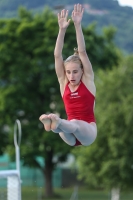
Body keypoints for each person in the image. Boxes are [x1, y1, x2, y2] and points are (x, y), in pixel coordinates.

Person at [39, 4, 97, 146]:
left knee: (74, 123)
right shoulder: (63, 82)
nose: (71, 76)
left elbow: (82, 52)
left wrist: (77, 25)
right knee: (62, 127)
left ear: (82, 71)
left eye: (75, 71)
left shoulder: (87, 80)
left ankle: (56, 122)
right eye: (68, 72)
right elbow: (57, 55)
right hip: (68, 132)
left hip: (87, 130)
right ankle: (53, 123)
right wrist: (62, 30)